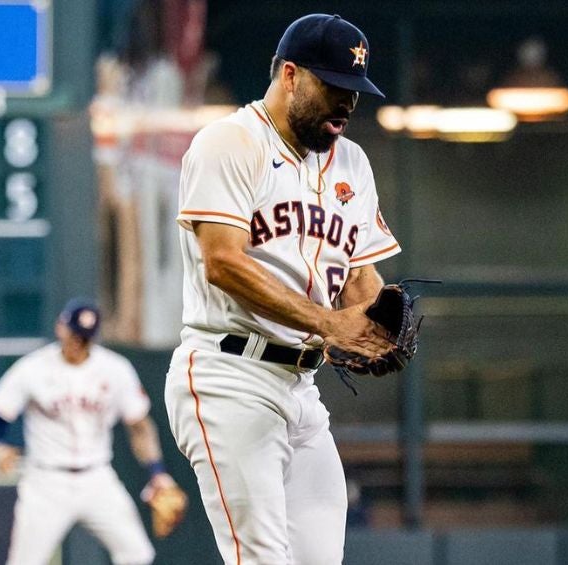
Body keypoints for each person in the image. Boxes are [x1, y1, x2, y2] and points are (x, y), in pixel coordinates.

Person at [165, 13, 399, 565]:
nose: (346, 104)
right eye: (334, 87)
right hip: (229, 376)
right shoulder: (229, 142)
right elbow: (221, 263)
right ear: (290, 75)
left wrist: (377, 322)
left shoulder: (352, 163)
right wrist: (328, 323)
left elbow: (361, 279)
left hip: (301, 388)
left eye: (355, 92)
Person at [0, 298, 185, 565]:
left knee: (137, 555)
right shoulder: (33, 367)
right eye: (75, 334)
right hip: (46, 481)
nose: (78, 342)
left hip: (97, 477)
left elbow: (139, 425)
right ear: (60, 328)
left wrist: (157, 472)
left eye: (85, 337)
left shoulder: (115, 369)